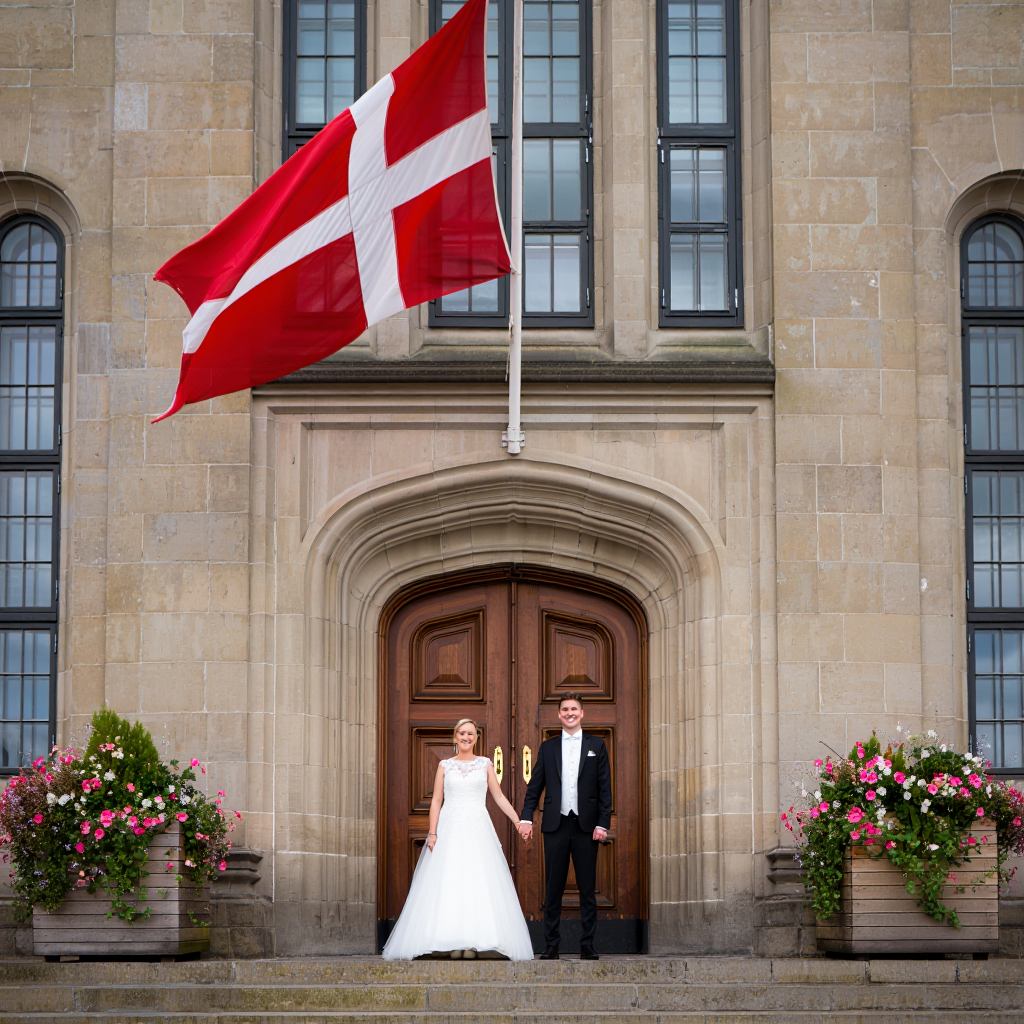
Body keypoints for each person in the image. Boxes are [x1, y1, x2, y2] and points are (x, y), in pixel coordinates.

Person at [382, 718, 535, 961]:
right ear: (455, 737)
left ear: (476, 738)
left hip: (477, 827)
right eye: (462, 733)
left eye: (470, 733)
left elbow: (499, 797)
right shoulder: (445, 765)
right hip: (450, 826)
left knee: (476, 880)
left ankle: (473, 943)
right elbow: (436, 801)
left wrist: (518, 821)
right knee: (450, 879)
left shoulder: (485, 764)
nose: (466, 737)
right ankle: (451, 940)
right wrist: (432, 832)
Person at [518, 693, 611, 960]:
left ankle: (587, 944)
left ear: (582, 713)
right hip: (555, 825)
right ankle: (551, 945)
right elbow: (535, 786)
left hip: (586, 826)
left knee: (587, 888)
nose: (569, 713)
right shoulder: (548, 748)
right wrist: (526, 818)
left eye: (574, 709)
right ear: (559, 715)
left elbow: (605, 787)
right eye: (564, 709)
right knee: (554, 887)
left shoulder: (597, 745)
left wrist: (603, 823)